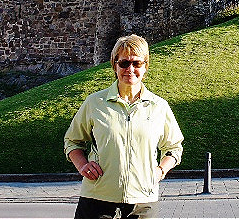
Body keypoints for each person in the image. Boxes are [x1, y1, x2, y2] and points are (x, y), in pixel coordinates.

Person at [64, 34, 184, 219]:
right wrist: (82, 166)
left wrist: (160, 171)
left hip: (142, 202)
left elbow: (174, 147)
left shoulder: (159, 106)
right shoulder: (95, 103)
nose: (130, 69)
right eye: (124, 63)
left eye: (137, 64)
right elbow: (72, 141)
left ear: (145, 67)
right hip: (97, 199)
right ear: (115, 65)